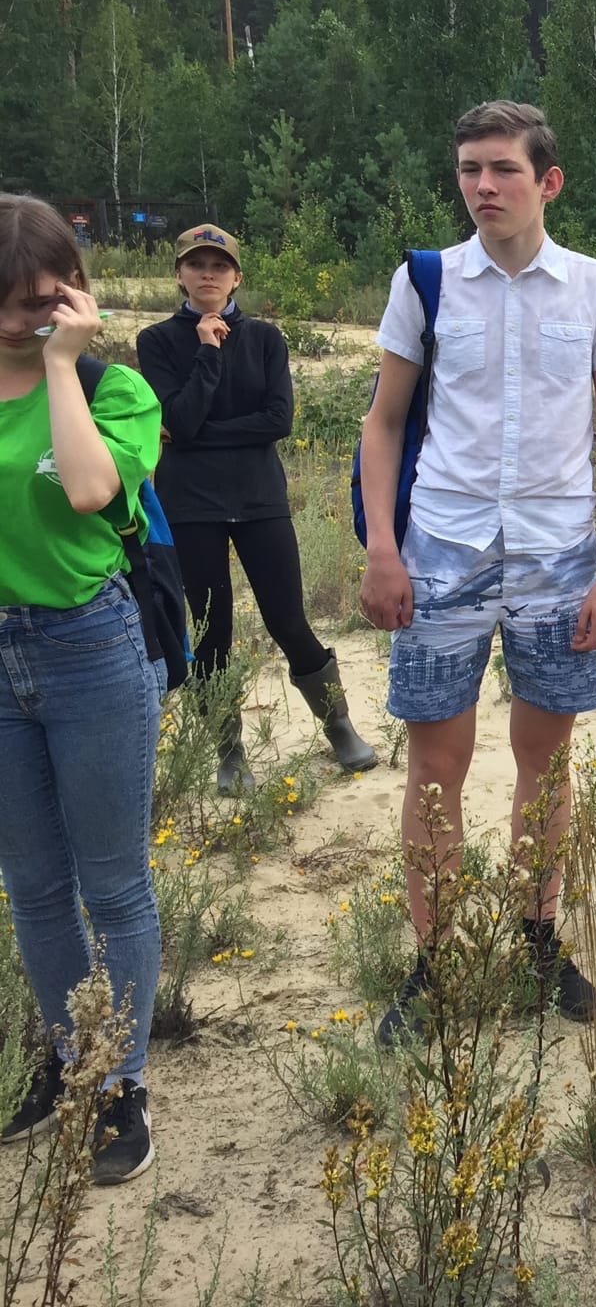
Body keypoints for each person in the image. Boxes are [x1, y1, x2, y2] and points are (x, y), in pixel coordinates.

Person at [358, 102, 596, 1045]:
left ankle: (536, 937)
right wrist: (383, 548)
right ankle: (433, 964)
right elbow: (384, 422)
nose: (482, 187)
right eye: (469, 170)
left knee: (546, 762)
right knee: (435, 766)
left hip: (560, 556)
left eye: (502, 170)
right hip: (441, 550)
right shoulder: (426, 282)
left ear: (547, 181)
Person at [0, 194, 165, 1184]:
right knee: (32, 887)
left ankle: (121, 1084)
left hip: (86, 647)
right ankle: (72, 1063)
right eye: (3, 303)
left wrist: (60, 364)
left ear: (72, 292)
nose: (17, 321)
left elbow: (89, 489)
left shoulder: (115, 389)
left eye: (36, 301)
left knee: (112, 883)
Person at [136, 224, 377, 794]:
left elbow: (277, 420)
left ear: (237, 277)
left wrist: (194, 434)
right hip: (190, 505)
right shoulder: (157, 341)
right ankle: (229, 751)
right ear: (179, 276)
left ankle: (338, 725)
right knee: (211, 631)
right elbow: (179, 418)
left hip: (259, 499)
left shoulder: (266, 338)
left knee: (288, 619)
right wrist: (206, 351)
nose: (208, 274)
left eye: (219, 266)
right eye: (196, 265)